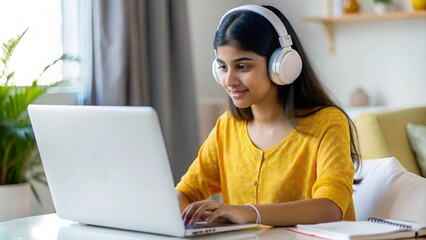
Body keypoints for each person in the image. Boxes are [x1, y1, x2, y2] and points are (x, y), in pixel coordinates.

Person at [175, 4, 361, 227]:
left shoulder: (327, 123)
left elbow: (330, 207)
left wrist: (249, 213)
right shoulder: (227, 127)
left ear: (282, 65)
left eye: (242, 66)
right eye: (222, 67)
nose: (229, 80)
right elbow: (186, 192)